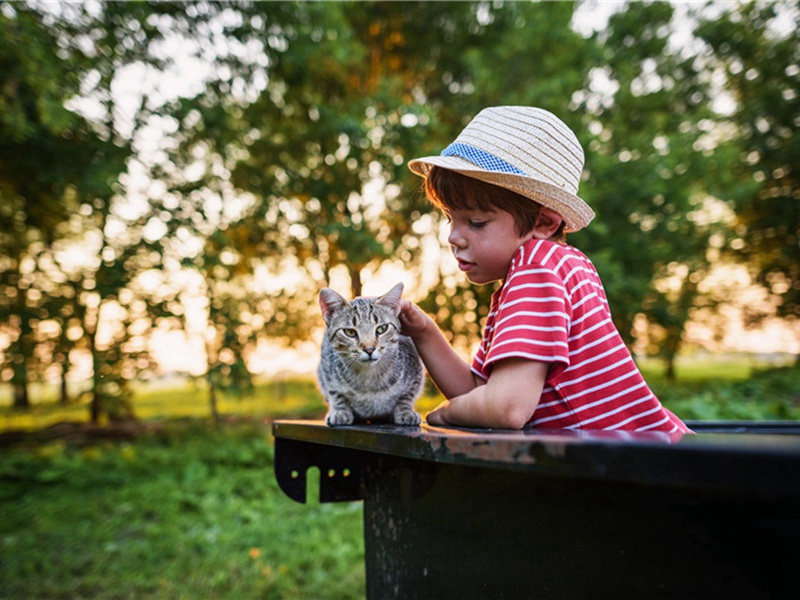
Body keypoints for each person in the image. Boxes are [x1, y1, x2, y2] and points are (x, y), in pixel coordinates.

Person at [399, 106, 691, 433]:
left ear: (543, 222)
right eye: (451, 218)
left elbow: (505, 408)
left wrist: (448, 413)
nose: (453, 237)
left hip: (640, 472)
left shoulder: (537, 268)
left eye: (476, 222)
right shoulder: (559, 266)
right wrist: (424, 332)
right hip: (645, 461)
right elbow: (481, 393)